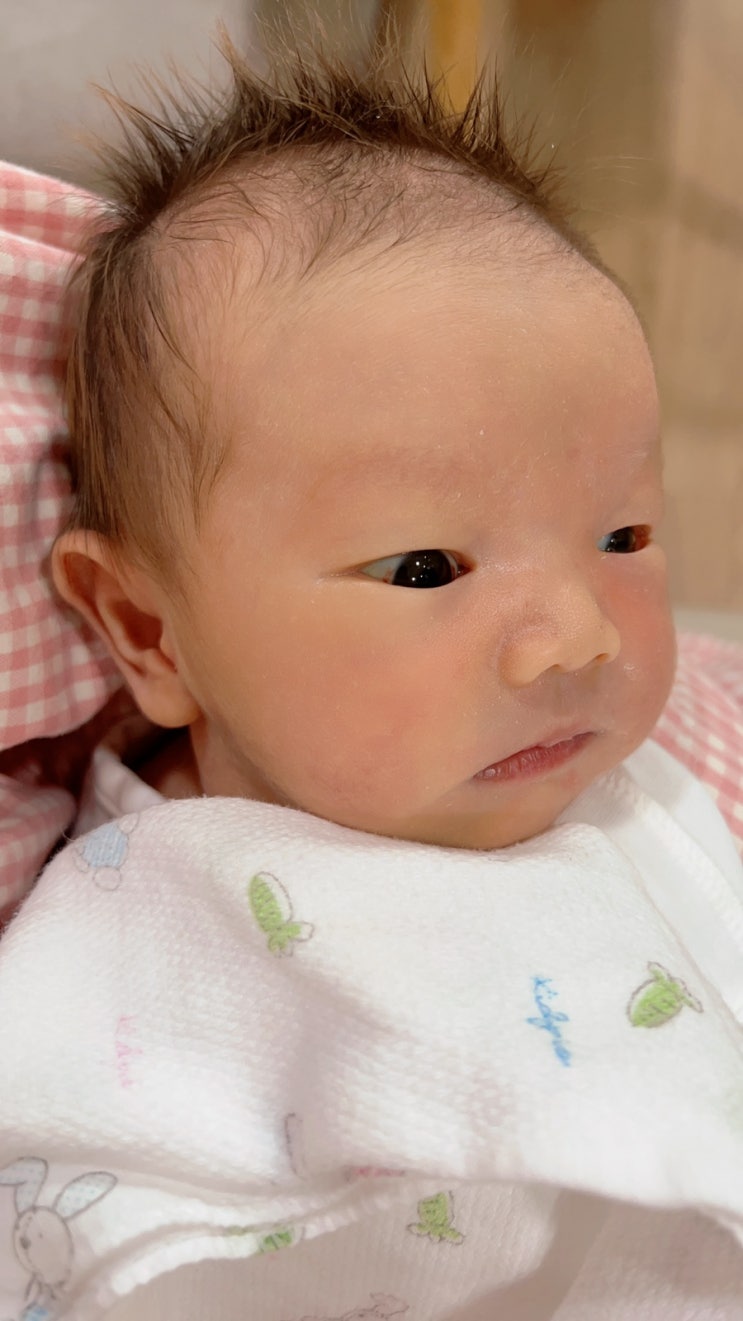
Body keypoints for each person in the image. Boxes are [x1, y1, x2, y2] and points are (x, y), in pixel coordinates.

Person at [1, 39, 743, 1321]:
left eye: (622, 535)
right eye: (422, 569)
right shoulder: (131, 923)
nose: (575, 636)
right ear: (148, 630)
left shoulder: (678, 784)